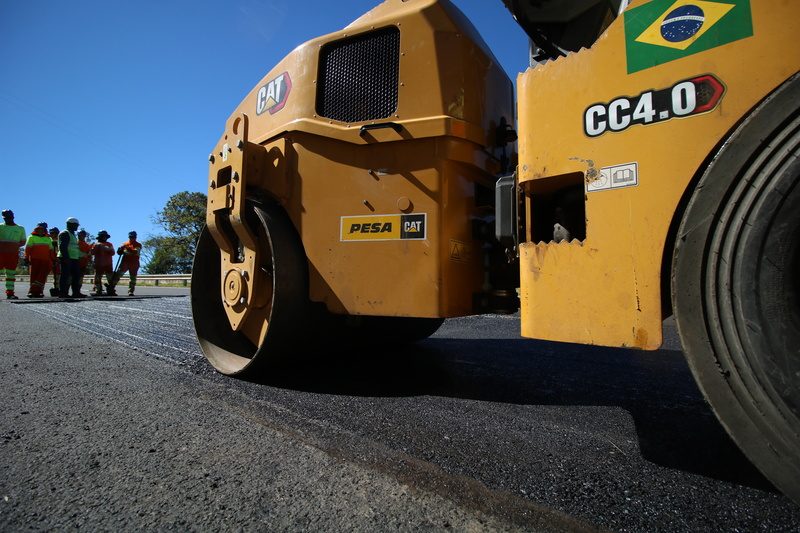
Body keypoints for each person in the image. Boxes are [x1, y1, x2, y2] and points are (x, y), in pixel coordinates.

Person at [0, 209, 26, 299]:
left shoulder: (20, 228)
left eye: (9, 217)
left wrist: (12, 246)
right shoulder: (0, 227)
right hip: (1, 254)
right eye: (5, 218)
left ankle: (10, 293)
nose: (7, 219)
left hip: (12, 255)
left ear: (13, 217)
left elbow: (23, 241)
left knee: (10, 274)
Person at [58, 217, 86, 298]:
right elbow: (63, 247)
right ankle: (63, 293)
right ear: (71, 224)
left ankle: (76, 292)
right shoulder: (65, 233)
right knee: (65, 276)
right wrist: (66, 258)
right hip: (66, 258)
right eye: (76, 225)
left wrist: (82, 255)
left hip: (74, 258)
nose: (77, 227)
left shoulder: (72, 234)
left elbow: (74, 247)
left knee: (76, 275)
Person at [24, 222, 54, 298]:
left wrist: (54, 259)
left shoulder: (48, 239)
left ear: (44, 230)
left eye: (42, 229)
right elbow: (28, 249)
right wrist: (26, 258)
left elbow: (51, 251)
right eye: (39, 229)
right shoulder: (31, 237)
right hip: (34, 260)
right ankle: (32, 292)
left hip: (45, 261)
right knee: (34, 276)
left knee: (42, 277)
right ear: (36, 229)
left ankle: (39, 291)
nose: (40, 230)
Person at [108, 231, 142, 296]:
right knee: (117, 275)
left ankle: (131, 291)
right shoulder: (124, 244)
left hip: (134, 263)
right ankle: (111, 288)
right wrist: (120, 251)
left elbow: (135, 252)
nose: (132, 238)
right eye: (131, 237)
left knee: (133, 278)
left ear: (136, 237)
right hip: (125, 263)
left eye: (133, 237)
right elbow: (119, 252)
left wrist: (126, 249)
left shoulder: (138, 245)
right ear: (129, 237)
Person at [90, 230, 115, 296]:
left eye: (105, 236)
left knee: (110, 278)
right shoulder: (96, 244)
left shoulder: (110, 244)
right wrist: (96, 247)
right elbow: (92, 252)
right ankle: (98, 291)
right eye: (103, 236)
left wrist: (107, 249)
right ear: (100, 237)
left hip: (108, 264)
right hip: (98, 264)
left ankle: (111, 290)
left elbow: (113, 252)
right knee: (97, 278)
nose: (104, 238)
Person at [77, 230, 92, 294]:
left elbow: (89, 254)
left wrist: (89, 257)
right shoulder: (75, 243)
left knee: (80, 278)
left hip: (83, 264)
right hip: (76, 263)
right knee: (73, 277)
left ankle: (78, 291)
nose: (82, 236)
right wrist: (85, 255)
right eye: (80, 235)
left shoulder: (86, 245)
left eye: (83, 235)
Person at [48, 227, 61, 296]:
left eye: (55, 233)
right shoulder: (48, 240)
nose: (53, 234)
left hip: (57, 260)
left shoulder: (59, 241)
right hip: (49, 260)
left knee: (57, 276)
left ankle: (57, 288)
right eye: (52, 233)